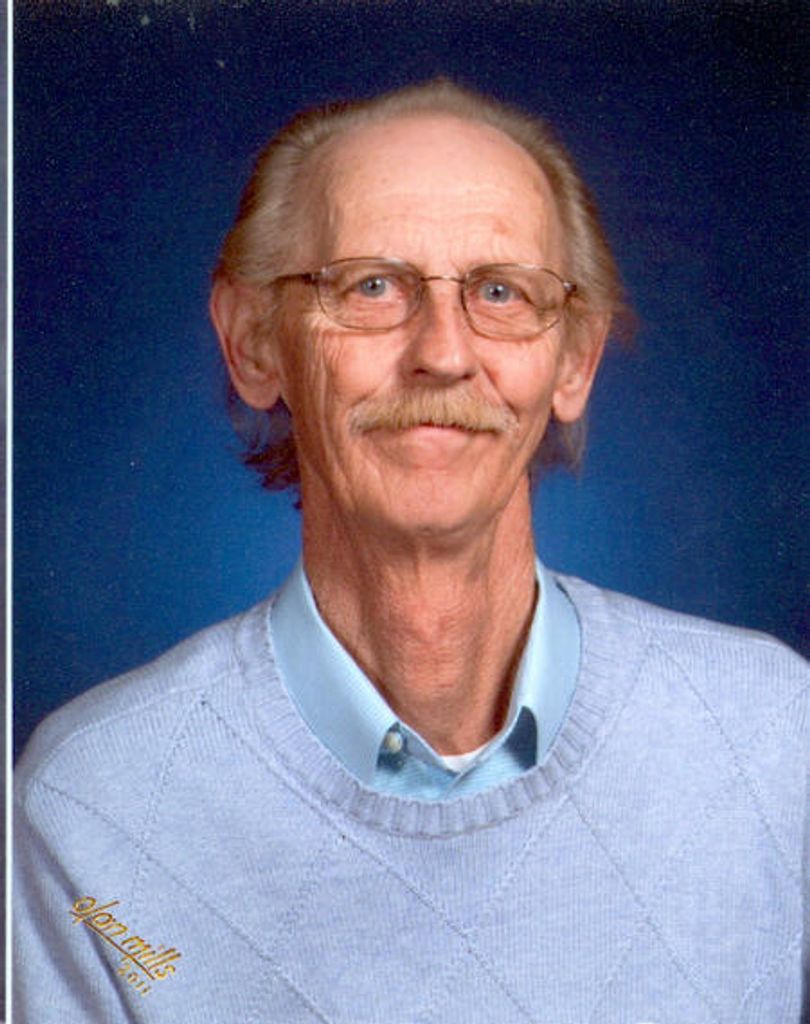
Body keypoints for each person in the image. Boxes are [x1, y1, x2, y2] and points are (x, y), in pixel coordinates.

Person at [14, 79, 808, 1023]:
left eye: (501, 292)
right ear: (255, 344)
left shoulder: (775, 739)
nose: (443, 353)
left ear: (575, 360)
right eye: (372, 286)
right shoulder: (93, 806)